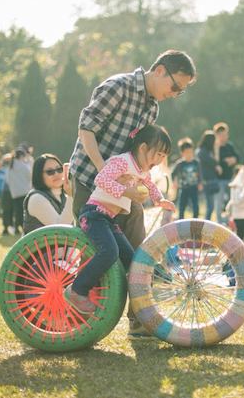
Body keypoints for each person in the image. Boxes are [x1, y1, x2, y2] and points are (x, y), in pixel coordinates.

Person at [69, 50, 195, 250]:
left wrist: (146, 186)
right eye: (175, 86)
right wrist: (105, 171)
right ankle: (89, 282)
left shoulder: (152, 108)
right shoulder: (118, 87)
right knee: (94, 248)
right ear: (160, 71)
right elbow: (86, 129)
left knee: (133, 236)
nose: (174, 94)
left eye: (179, 91)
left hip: (124, 184)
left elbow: (137, 154)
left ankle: (139, 278)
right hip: (89, 177)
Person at [63, 125, 175, 338]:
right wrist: (127, 191)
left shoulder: (142, 170)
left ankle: (134, 307)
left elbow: (149, 184)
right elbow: (101, 179)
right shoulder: (121, 161)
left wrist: (159, 199)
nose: (160, 160)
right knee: (109, 252)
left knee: (132, 260)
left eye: (163, 156)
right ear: (143, 148)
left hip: (108, 220)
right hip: (94, 214)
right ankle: (77, 290)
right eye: (158, 154)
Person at [23, 154, 73, 234]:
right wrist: (71, 196)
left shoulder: (64, 197)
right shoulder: (36, 199)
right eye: (50, 172)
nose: (56, 174)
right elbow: (60, 230)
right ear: (39, 175)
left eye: (59, 169)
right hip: (39, 246)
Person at [213, 122, 239, 223]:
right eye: (222, 134)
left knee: (230, 201)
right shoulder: (215, 147)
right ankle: (219, 222)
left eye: (226, 134)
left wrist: (233, 159)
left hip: (230, 178)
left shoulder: (229, 146)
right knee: (219, 202)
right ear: (217, 135)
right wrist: (225, 160)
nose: (225, 136)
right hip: (219, 179)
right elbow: (215, 161)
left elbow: (237, 156)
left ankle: (229, 221)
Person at [171, 137, 202, 219]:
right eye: (187, 152)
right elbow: (173, 174)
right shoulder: (180, 164)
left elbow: (199, 173)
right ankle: (181, 220)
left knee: (195, 205)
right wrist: (175, 182)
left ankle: (196, 220)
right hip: (183, 188)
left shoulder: (196, 163)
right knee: (182, 205)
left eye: (191, 152)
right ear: (182, 153)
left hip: (194, 187)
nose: (189, 154)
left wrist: (200, 183)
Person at [7, 147, 33, 234]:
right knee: (24, 211)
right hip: (24, 191)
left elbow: (7, 180)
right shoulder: (23, 165)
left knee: (17, 211)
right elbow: (30, 176)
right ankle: (23, 227)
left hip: (15, 192)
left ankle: (16, 227)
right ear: (21, 156)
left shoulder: (11, 166)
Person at [196, 130, 221, 220]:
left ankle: (206, 222)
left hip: (209, 180)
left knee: (210, 206)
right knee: (210, 207)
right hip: (207, 181)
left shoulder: (205, 151)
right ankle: (206, 224)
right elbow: (214, 162)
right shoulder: (202, 152)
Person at [226, 166, 244, 240]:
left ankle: (239, 249)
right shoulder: (240, 187)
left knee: (240, 234)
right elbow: (238, 201)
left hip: (239, 215)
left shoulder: (235, 186)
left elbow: (233, 201)